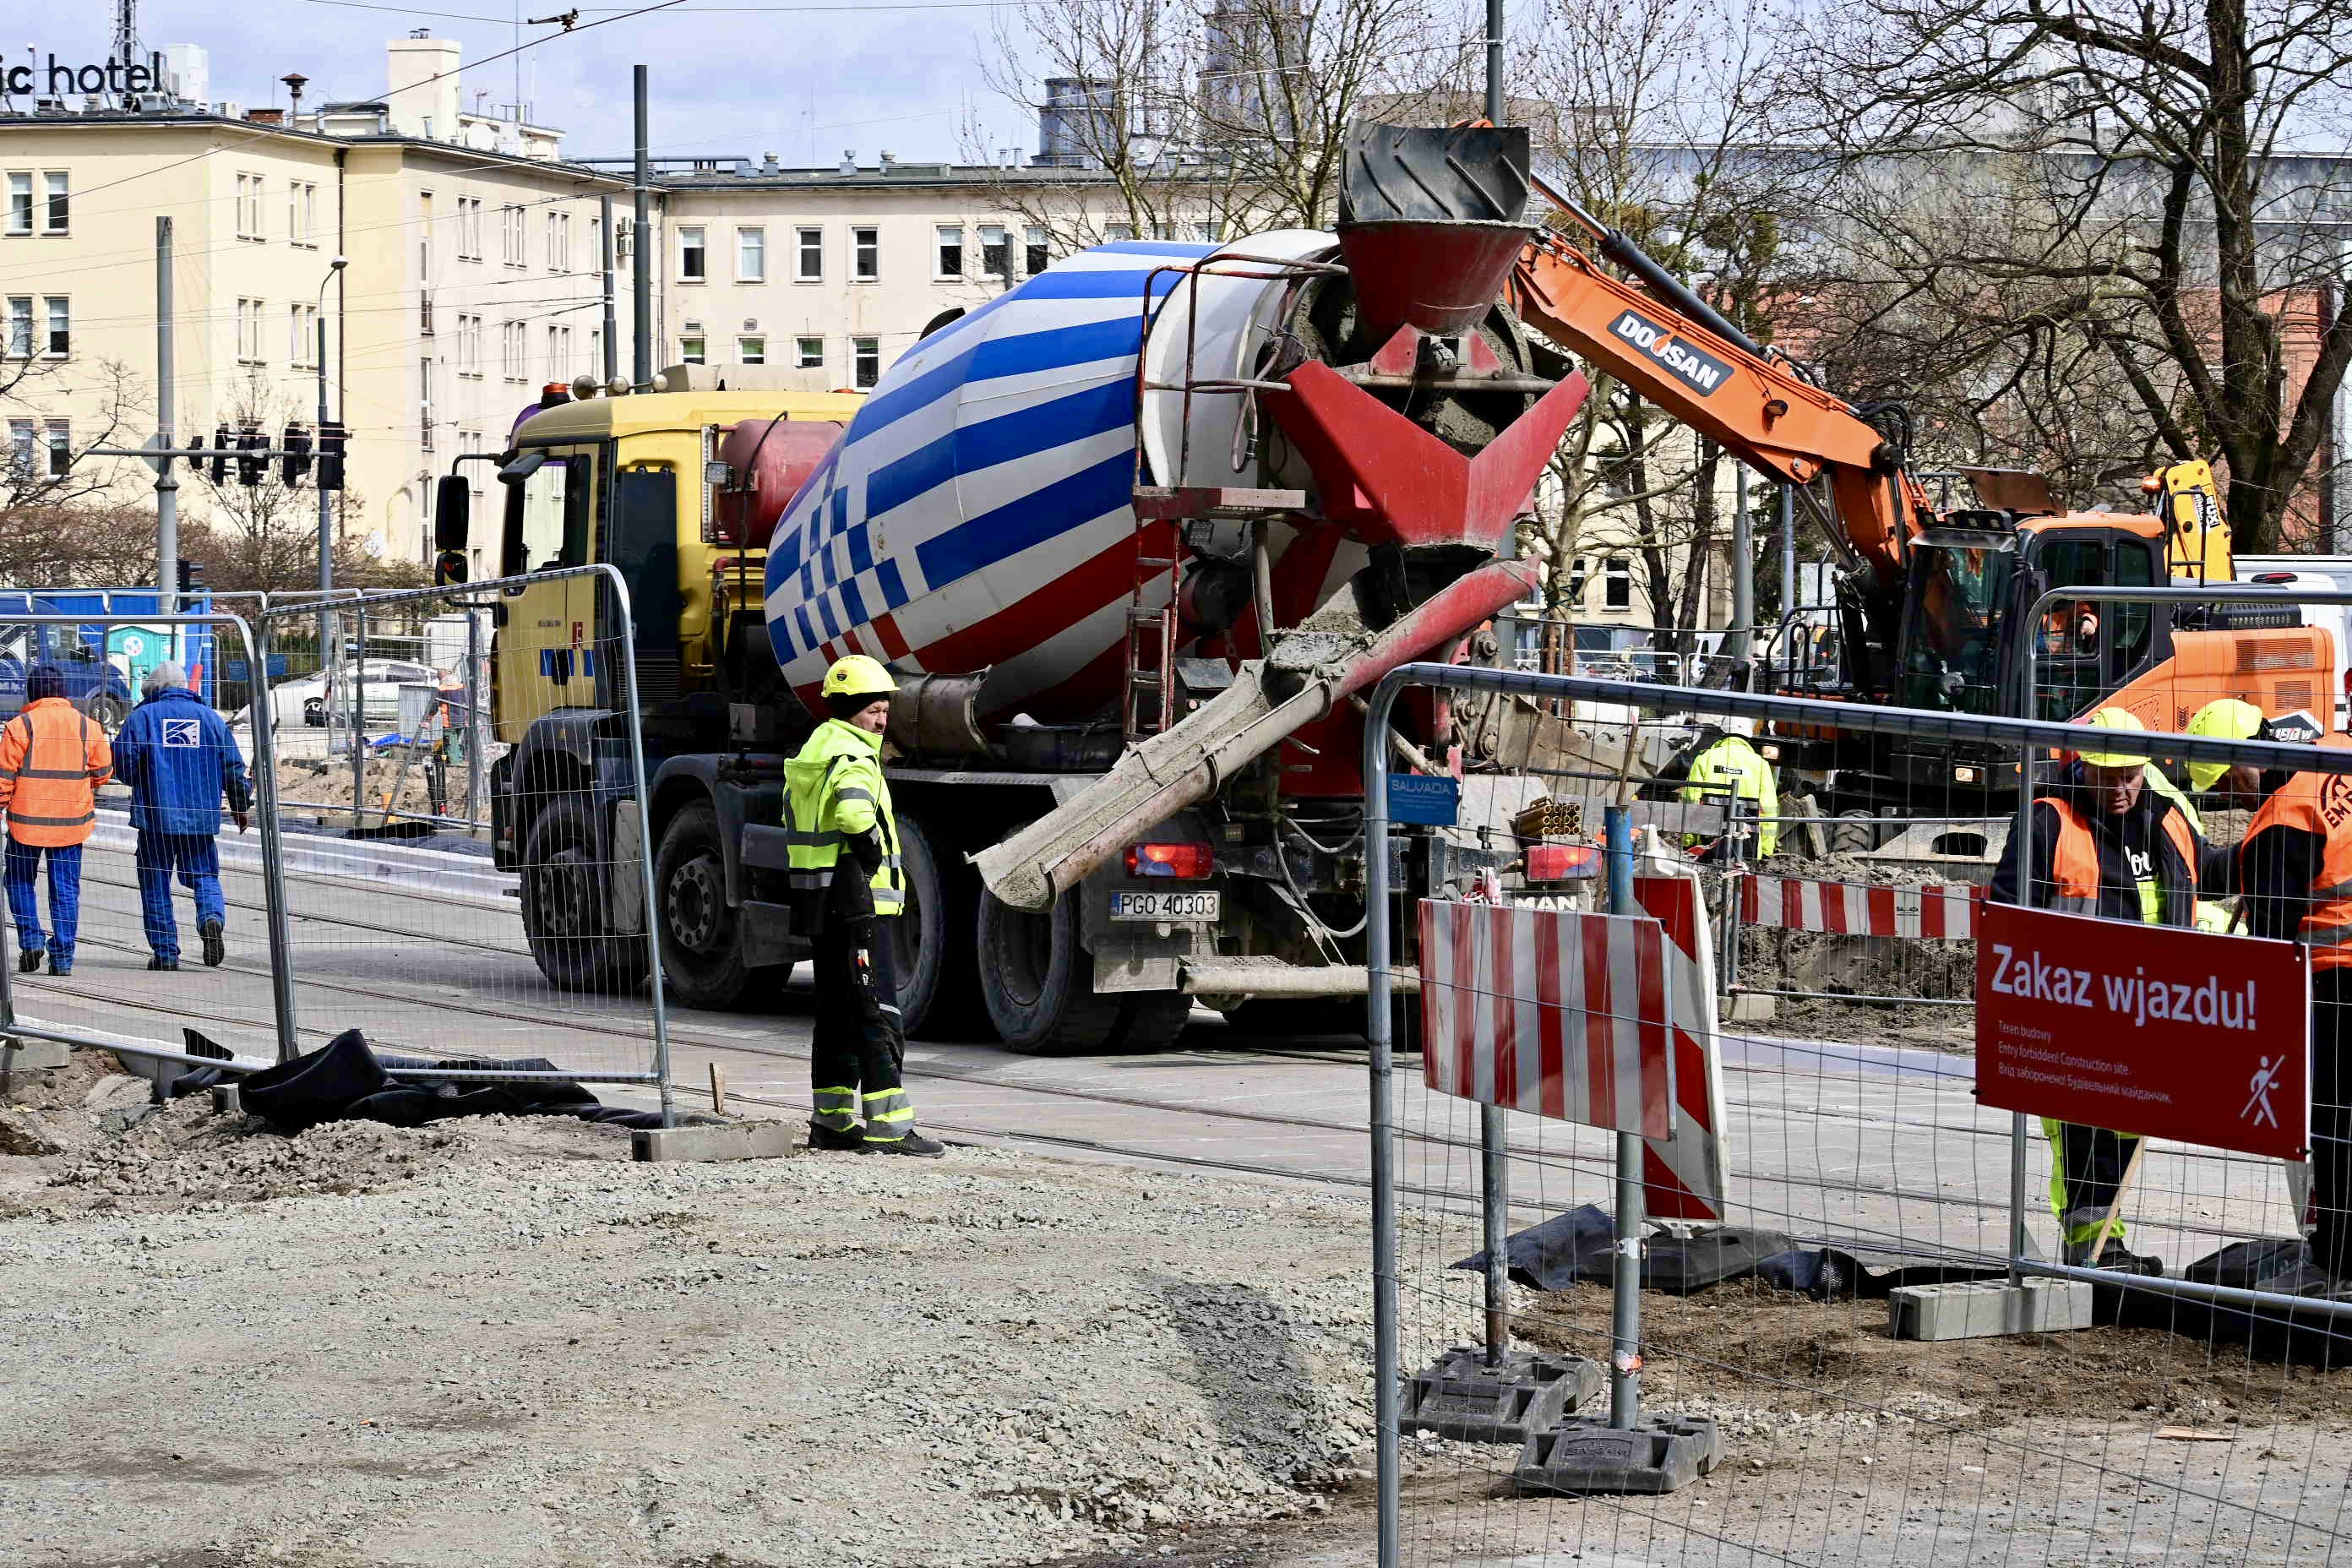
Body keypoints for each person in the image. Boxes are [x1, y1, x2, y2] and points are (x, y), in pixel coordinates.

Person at [1989, 707, 2230, 1271]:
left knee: (2124, 1133)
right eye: (2106, 775)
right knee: (2081, 1136)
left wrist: (2261, 860)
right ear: (2084, 766)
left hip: (2150, 1011)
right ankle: (2093, 1246)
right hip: (2073, 1011)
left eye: (2130, 775)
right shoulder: (2049, 822)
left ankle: (2104, 1243)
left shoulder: (2166, 817)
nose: (2119, 788)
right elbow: (2006, 913)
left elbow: (2206, 873)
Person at [783, 654, 943, 1157]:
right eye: (874, 711)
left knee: (835, 1011)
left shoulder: (817, 748)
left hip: (821, 899)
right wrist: (872, 848)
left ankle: (830, 1121)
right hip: (860, 907)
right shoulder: (853, 756)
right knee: (877, 1012)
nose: (881, 720)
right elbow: (854, 813)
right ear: (850, 709)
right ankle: (890, 1127)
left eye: (883, 711)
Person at [2234, 721, 2352, 1294]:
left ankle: (2339, 1261)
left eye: (2234, 778)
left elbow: (2272, 942)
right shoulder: (2340, 755)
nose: (2237, 794)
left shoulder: (2284, 815)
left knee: (2336, 1123)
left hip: (2338, 983)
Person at [112, 662, 251, 972]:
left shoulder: (143, 717)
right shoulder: (212, 719)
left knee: (155, 882)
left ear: (155, 688)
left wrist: (141, 778)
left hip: (155, 818)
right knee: (204, 876)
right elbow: (233, 767)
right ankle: (211, 919)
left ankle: (165, 954)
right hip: (200, 819)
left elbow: (123, 763)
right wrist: (241, 806)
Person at [0, 664, 112, 977]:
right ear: (62, 691)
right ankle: (62, 957)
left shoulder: (19, 727)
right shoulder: (88, 726)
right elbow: (103, 772)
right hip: (71, 823)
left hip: (26, 824)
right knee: (65, 889)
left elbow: (3, 780)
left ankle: (31, 939)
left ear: (32, 691)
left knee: (19, 881)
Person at [1679, 727, 1778, 862]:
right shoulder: (1761, 764)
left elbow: (1691, 801)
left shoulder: (1705, 758)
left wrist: (1688, 840)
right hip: (1748, 847)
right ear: (1748, 738)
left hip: (1708, 845)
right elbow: (1769, 810)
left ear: (1722, 735)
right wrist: (1767, 849)